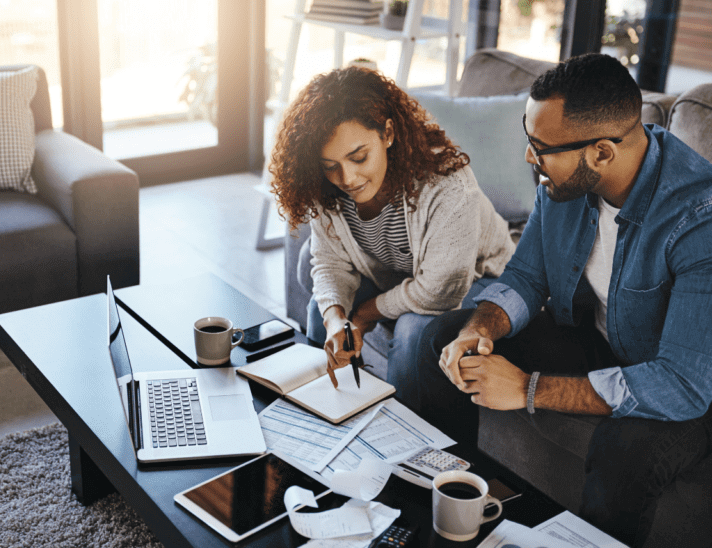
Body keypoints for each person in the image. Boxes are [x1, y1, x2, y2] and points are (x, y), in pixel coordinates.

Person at [416, 52, 712, 547]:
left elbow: (682, 383)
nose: (529, 158)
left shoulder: (698, 220)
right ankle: (452, 508)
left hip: (681, 385)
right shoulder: (564, 183)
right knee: (445, 336)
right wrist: (481, 328)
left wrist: (528, 389)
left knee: (625, 453)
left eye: (540, 147)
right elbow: (527, 278)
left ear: (600, 152)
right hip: (595, 343)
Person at [268, 66, 515, 410]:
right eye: (330, 165)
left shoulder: (448, 186)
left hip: (477, 278)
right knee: (320, 309)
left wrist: (365, 315)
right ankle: (322, 411)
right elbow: (328, 260)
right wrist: (336, 318)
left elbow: (438, 290)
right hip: (399, 272)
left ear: (387, 133)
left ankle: (412, 444)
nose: (348, 178)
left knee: (415, 332)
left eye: (359, 157)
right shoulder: (328, 185)